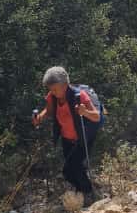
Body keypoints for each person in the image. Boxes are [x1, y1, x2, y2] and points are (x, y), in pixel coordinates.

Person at [32, 66, 100, 200]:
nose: (52, 92)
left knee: (74, 167)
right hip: (66, 138)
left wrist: (85, 112)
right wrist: (40, 117)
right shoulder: (52, 97)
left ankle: (88, 193)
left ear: (65, 85)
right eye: (50, 89)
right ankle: (81, 192)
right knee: (68, 172)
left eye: (55, 89)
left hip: (82, 137)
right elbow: (49, 110)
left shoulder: (80, 96)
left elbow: (96, 116)